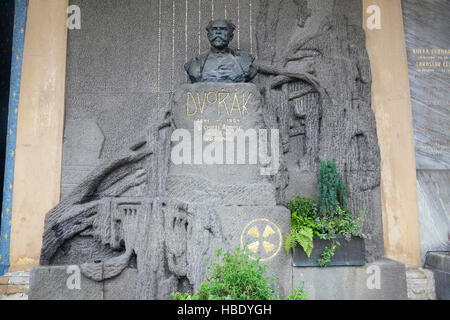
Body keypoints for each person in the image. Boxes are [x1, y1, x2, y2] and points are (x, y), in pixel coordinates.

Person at [185, 19, 257, 83]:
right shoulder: (195, 63)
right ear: (208, 36)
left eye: (223, 29)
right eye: (214, 29)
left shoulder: (245, 60)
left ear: (231, 36)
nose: (218, 32)